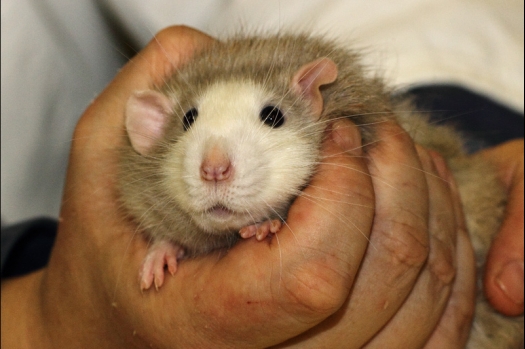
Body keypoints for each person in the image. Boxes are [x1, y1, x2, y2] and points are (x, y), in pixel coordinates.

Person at [1, 1, 523, 347]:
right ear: (150, 128)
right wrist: (53, 324)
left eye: (271, 117)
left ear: (314, 100)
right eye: (189, 123)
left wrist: (479, 133)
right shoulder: (147, 185)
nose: (214, 167)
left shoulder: (341, 129)